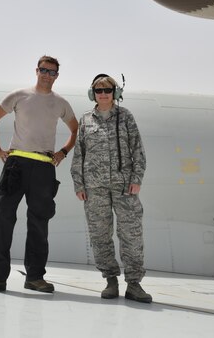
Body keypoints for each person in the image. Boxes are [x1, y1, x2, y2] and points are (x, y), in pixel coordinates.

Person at [0, 55, 78, 294]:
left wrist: (63, 151)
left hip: (44, 167)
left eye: (52, 72)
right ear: (37, 71)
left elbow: (75, 130)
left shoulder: (61, 103)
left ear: (57, 76)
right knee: (2, 217)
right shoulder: (19, 96)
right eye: (43, 70)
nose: (47, 75)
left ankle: (35, 277)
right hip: (16, 164)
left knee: (39, 222)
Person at [70, 74, 151, 303]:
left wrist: (136, 179)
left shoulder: (125, 117)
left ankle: (134, 284)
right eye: (98, 91)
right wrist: (79, 183)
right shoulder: (86, 120)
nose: (103, 95)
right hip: (94, 189)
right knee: (99, 235)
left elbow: (138, 150)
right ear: (92, 94)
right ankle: (110, 280)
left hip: (125, 187)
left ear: (115, 93)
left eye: (107, 90)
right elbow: (79, 155)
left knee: (131, 234)